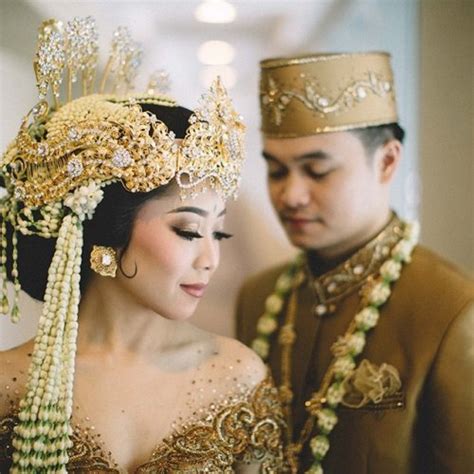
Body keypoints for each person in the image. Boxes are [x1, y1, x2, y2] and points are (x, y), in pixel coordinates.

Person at [0, 17, 285, 473]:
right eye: (189, 231)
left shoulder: (237, 377)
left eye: (220, 233)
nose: (211, 259)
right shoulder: (11, 387)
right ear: (107, 231)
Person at [236, 52, 474, 473]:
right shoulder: (259, 298)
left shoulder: (452, 309)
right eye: (276, 171)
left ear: (387, 161)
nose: (290, 195)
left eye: (317, 171)